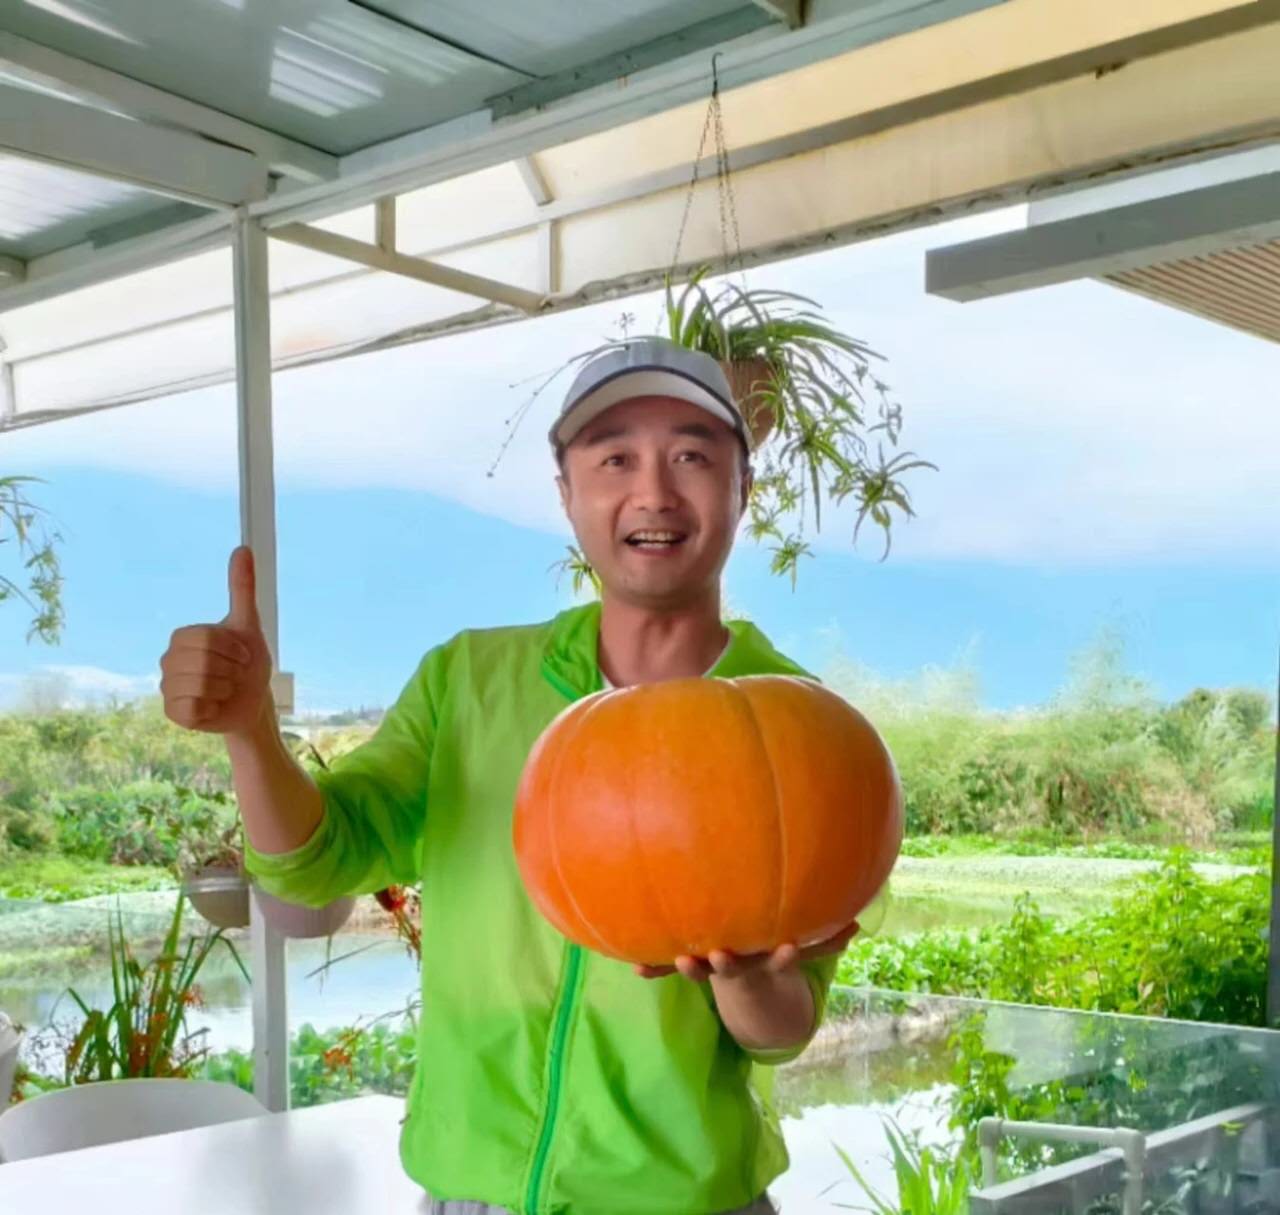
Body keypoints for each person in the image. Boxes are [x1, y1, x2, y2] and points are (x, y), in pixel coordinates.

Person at [159, 337, 857, 1215]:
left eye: (691, 455)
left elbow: (786, 1030)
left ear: (742, 486)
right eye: (614, 458)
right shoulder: (468, 682)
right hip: (470, 1194)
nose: (653, 491)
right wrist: (251, 732)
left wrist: (745, 978)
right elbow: (316, 863)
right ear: (567, 493)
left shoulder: (805, 729)